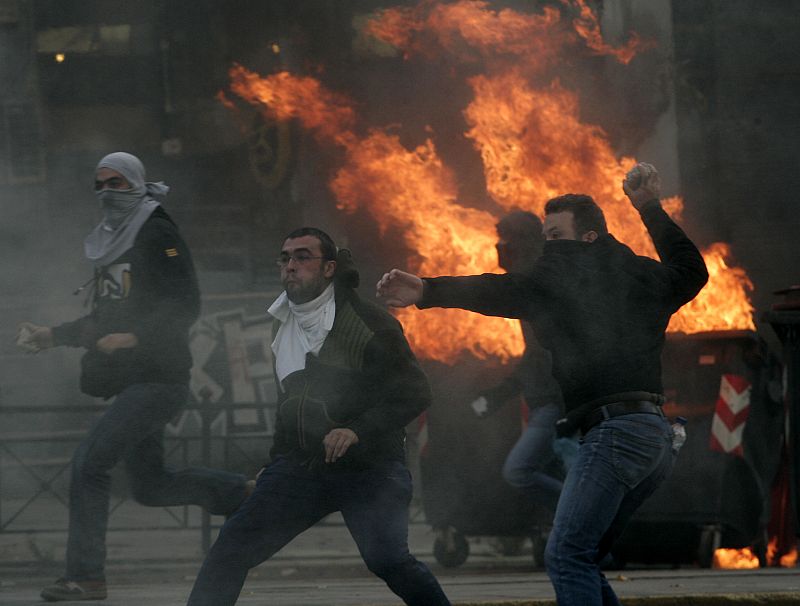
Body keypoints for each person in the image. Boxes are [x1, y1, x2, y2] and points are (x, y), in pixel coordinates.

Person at [377, 163, 709, 606]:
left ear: (588, 238)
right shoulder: (644, 275)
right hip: (656, 438)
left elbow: (501, 291)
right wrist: (649, 206)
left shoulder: (561, 280)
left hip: (614, 436)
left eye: (555, 235)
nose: (546, 245)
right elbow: (691, 269)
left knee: (567, 555)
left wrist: (428, 290)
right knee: (582, 556)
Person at [16, 152, 253, 602]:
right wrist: (53, 336)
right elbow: (105, 317)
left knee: (90, 463)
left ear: (138, 185)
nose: (107, 191)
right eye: (100, 183)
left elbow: (186, 304)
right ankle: (246, 495)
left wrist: (135, 338)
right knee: (150, 486)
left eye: (118, 183)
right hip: (133, 381)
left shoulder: (156, 232)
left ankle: (85, 577)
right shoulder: (112, 242)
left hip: (158, 378)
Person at [186, 227, 451, 606]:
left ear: (329, 267)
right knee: (231, 547)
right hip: (302, 466)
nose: (291, 266)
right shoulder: (284, 322)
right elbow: (289, 402)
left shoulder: (369, 323)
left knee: (388, 561)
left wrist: (356, 430)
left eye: (302, 257)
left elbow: (415, 392)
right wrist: (274, 463)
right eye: (285, 258)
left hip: (369, 468)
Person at [468, 211, 569, 517]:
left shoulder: (537, 284)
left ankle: (586, 515)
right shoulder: (533, 281)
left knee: (520, 470)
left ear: (523, 242)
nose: (500, 248)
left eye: (506, 240)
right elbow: (534, 353)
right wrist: (502, 393)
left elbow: (543, 352)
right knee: (568, 472)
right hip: (549, 402)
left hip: (557, 403)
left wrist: (502, 393)